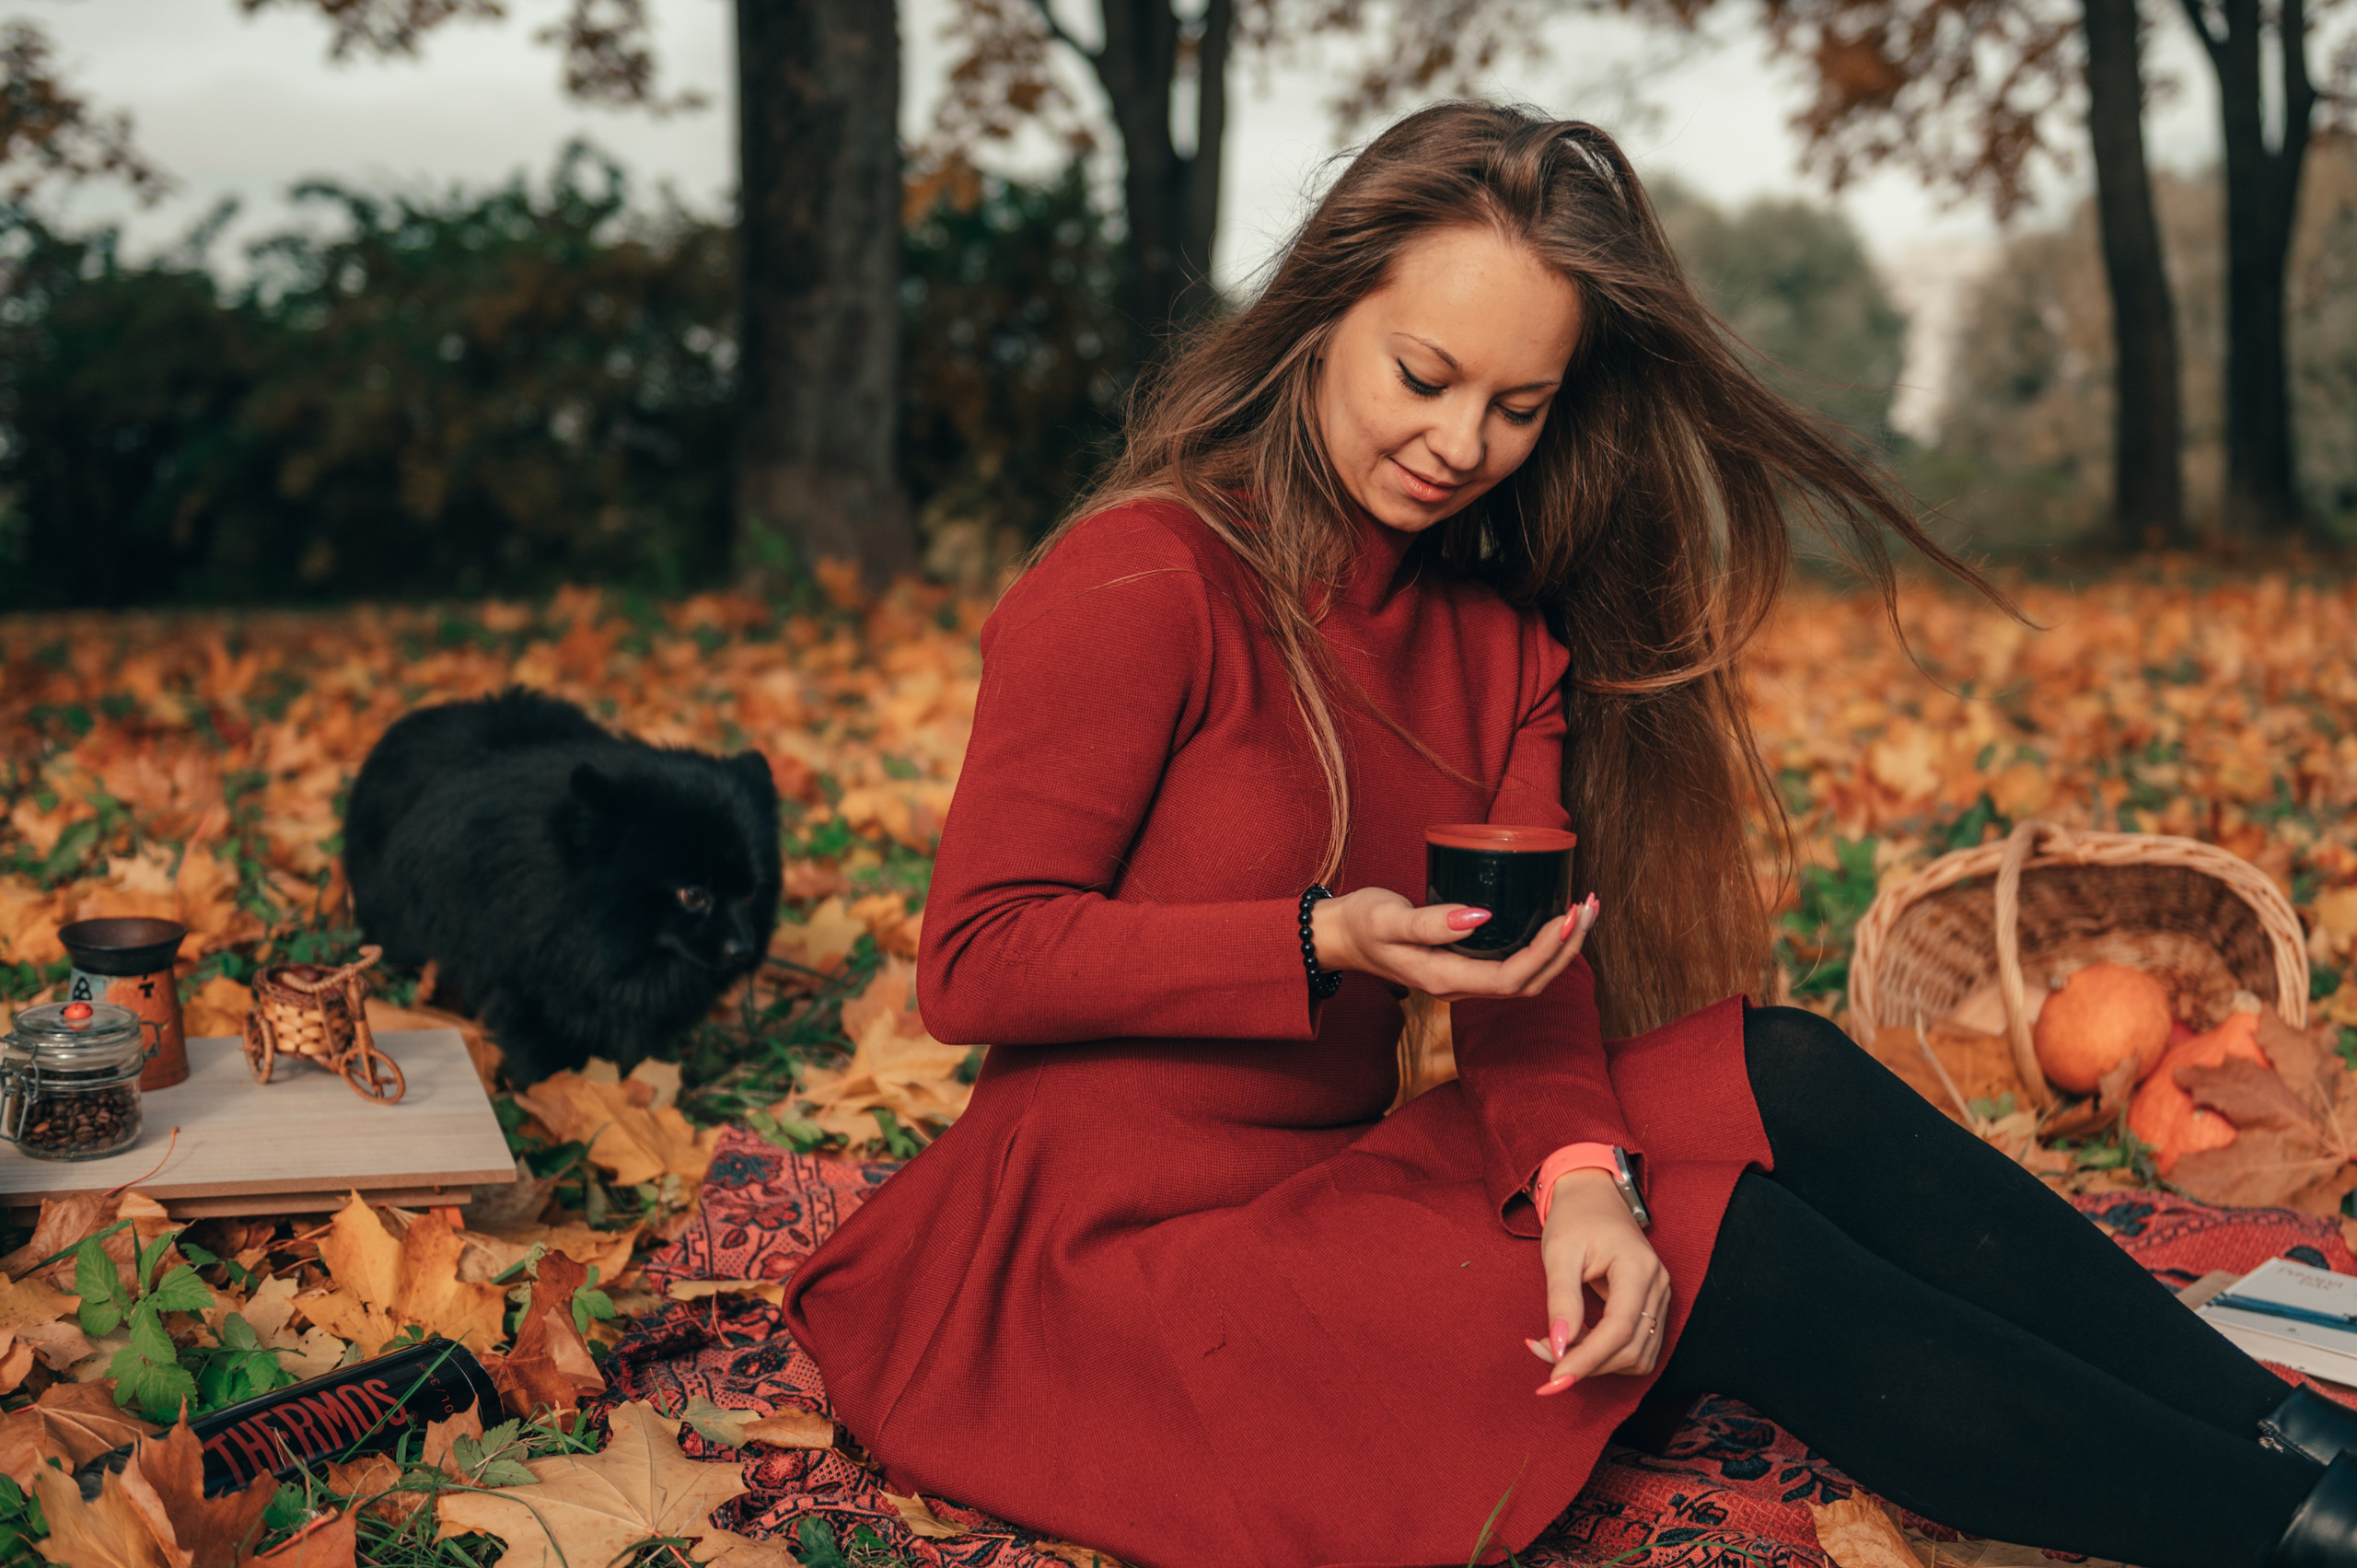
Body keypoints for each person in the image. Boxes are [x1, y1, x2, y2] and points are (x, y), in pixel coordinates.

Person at [780, 101, 2357, 1568]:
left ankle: (2292, 1445)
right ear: (1321, 315)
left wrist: (1587, 1180)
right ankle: (2279, 1536)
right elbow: (974, 964)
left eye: (1515, 405)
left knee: (1779, 1065)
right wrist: (1314, 938)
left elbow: (1521, 978)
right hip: (1102, 1266)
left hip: (1318, 1189)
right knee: (1730, 1239)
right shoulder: (1146, 579)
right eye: (1424, 375)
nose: (1461, 442)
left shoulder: (1500, 643)